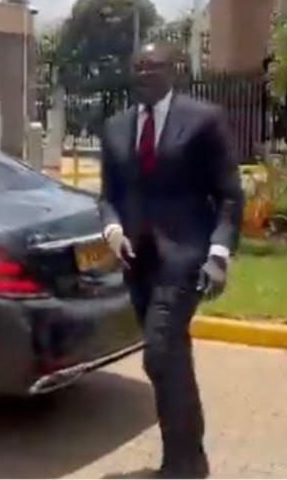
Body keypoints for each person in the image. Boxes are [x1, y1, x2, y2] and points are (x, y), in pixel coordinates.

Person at [98, 43, 243, 479]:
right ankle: (184, 462)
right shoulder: (116, 127)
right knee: (171, 357)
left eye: (154, 67)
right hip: (137, 261)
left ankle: (184, 463)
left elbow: (230, 196)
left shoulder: (203, 120)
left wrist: (219, 254)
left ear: (173, 72)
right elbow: (108, 196)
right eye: (138, 67)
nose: (145, 74)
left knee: (159, 353)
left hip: (186, 258)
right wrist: (112, 230)